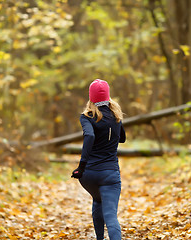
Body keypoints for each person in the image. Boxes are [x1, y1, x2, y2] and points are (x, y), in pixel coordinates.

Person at [71, 79, 126, 240]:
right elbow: (122, 138)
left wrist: (81, 167)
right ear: (108, 97)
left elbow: (89, 135)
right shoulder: (116, 115)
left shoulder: (86, 117)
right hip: (109, 174)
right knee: (111, 216)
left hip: (89, 175)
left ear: (91, 98)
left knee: (97, 200)